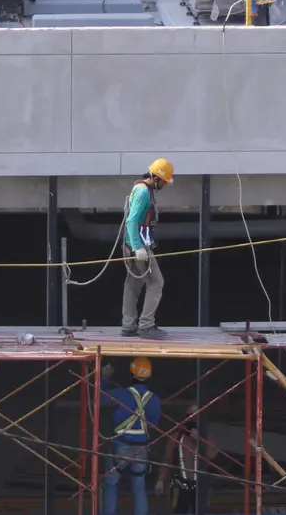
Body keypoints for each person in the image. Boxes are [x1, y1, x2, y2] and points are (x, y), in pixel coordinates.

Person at [101, 357, 161, 515]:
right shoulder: (154, 399)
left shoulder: (122, 394)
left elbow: (99, 398)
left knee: (111, 484)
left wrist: (105, 377)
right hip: (141, 448)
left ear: (131, 375)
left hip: (121, 446)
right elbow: (153, 423)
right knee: (139, 486)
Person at [121, 158, 173, 340]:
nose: (166, 185)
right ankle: (146, 325)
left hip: (132, 245)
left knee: (132, 285)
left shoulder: (142, 189)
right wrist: (138, 248)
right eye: (165, 181)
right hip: (138, 247)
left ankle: (128, 325)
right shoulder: (144, 192)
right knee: (156, 283)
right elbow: (132, 220)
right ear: (157, 178)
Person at [155, 404, 218, 514]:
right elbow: (167, 459)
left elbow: (212, 456)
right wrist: (161, 479)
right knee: (179, 511)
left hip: (199, 485)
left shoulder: (206, 438)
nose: (193, 421)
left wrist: (200, 441)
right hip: (180, 485)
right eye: (190, 417)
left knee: (199, 511)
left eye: (196, 418)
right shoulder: (176, 438)